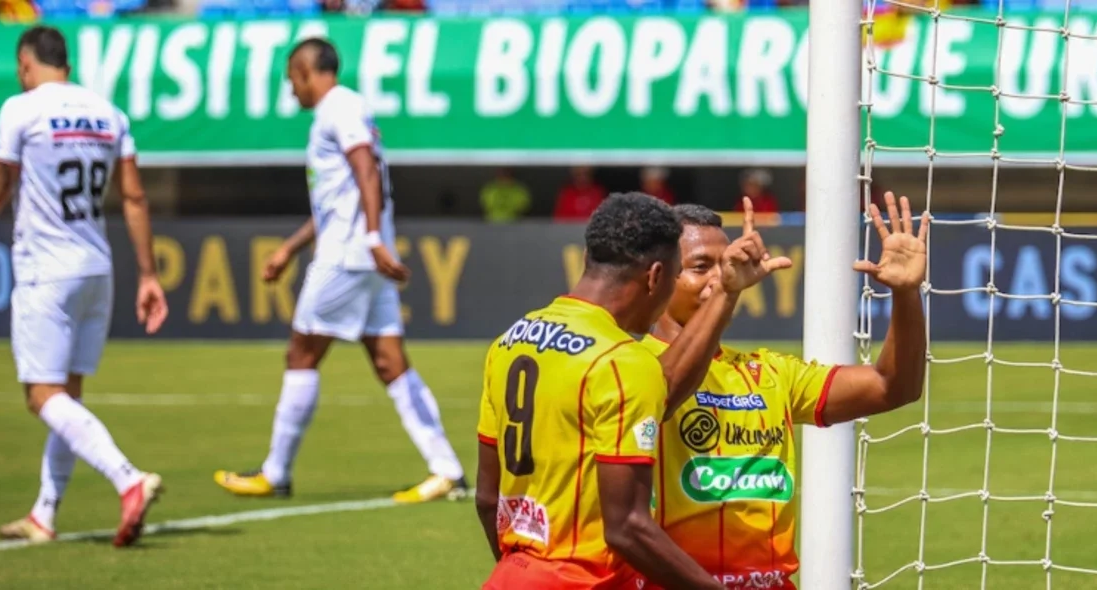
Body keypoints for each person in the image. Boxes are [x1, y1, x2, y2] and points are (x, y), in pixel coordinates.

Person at [474, 192, 791, 590]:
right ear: (655, 276)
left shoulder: (510, 341)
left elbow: (488, 499)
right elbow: (627, 528)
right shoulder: (623, 361)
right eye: (675, 276)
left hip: (510, 577)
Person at [213, 38, 467, 504]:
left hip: (348, 255)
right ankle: (447, 470)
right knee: (390, 362)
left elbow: (365, 170)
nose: (291, 89)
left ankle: (276, 473)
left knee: (301, 353)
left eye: (292, 79)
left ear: (307, 72)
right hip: (361, 252)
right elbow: (340, 198)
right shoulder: (345, 110)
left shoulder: (339, 108)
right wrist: (291, 248)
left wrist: (370, 238)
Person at [641, 196, 927, 589]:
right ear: (658, 277)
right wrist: (727, 293)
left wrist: (907, 295)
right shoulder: (628, 365)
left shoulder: (771, 372)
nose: (720, 277)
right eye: (701, 267)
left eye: (726, 263)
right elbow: (665, 390)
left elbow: (892, 387)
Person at [0, 25, 168, 548]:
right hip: (97, 267)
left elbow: (1, 185)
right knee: (67, 396)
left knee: (42, 396)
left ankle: (127, 478)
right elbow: (134, 197)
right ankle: (44, 514)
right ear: (67, 65)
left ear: (26, 66)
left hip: (46, 269)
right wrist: (148, 274)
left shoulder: (21, 109)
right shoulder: (108, 114)